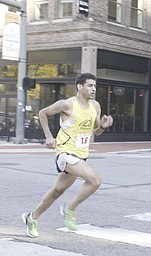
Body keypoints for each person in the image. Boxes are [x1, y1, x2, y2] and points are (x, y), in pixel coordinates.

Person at [22, 73, 113, 238]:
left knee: (57, 190)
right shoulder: (66, 104)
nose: (93, 89)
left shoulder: (96, 106)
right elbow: (42, 113)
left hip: (81, 154)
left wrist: (103, 126)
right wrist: (49, 137)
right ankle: (69, 209)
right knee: (95, 180)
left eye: (94, 86)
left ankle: (32, 217)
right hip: (65, 152)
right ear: (80, 86)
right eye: (90, 85)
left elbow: (96, 132)